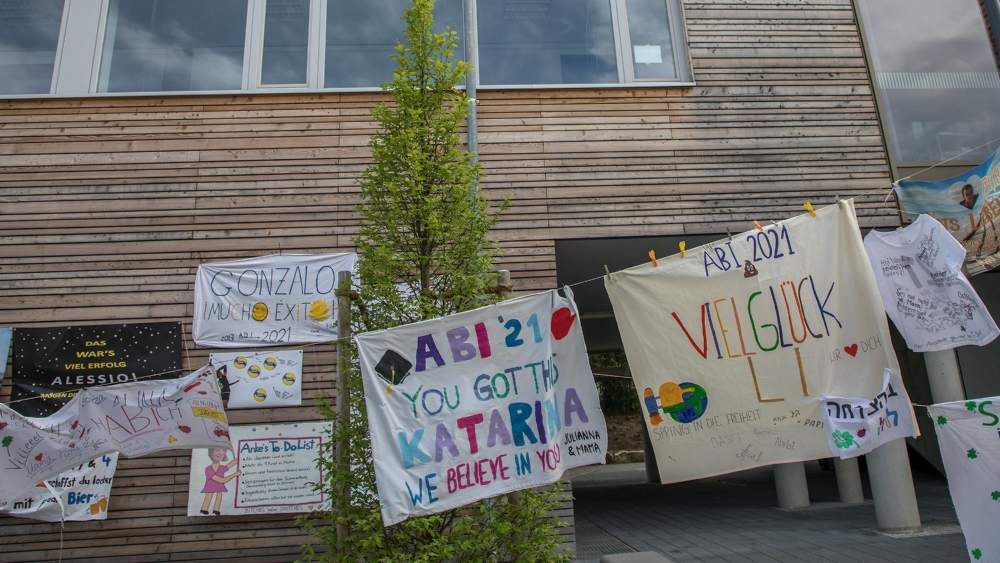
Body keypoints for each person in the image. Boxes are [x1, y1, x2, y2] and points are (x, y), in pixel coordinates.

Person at [199, 447, 239, 516]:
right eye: (217, 450)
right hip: (210, 486)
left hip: (219, 487)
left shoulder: (221, 468)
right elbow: (222, 480)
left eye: (224, 450)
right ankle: (204, 509)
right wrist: (235, 474)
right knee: (209, 495)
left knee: (219, 495)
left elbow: (230, 464)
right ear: (211, 453)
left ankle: (216, 510)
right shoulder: (208, 469)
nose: (221, 453)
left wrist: (238, 458)